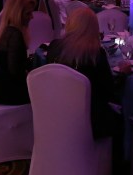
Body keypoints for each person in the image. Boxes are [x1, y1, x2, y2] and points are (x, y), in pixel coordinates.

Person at [47, 8, 119, 140]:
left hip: (56, 115)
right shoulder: (95, 54)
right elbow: (108, 92)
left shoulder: (54, 47)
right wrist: (123, 75)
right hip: (91, 123)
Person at [0, 0, 36, 105]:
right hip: (7, 92)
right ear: (18, 14)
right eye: (28, 13)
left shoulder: (7, 30)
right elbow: (16, 73)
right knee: (48, 90)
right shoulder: (15, 35)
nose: (32, 17)